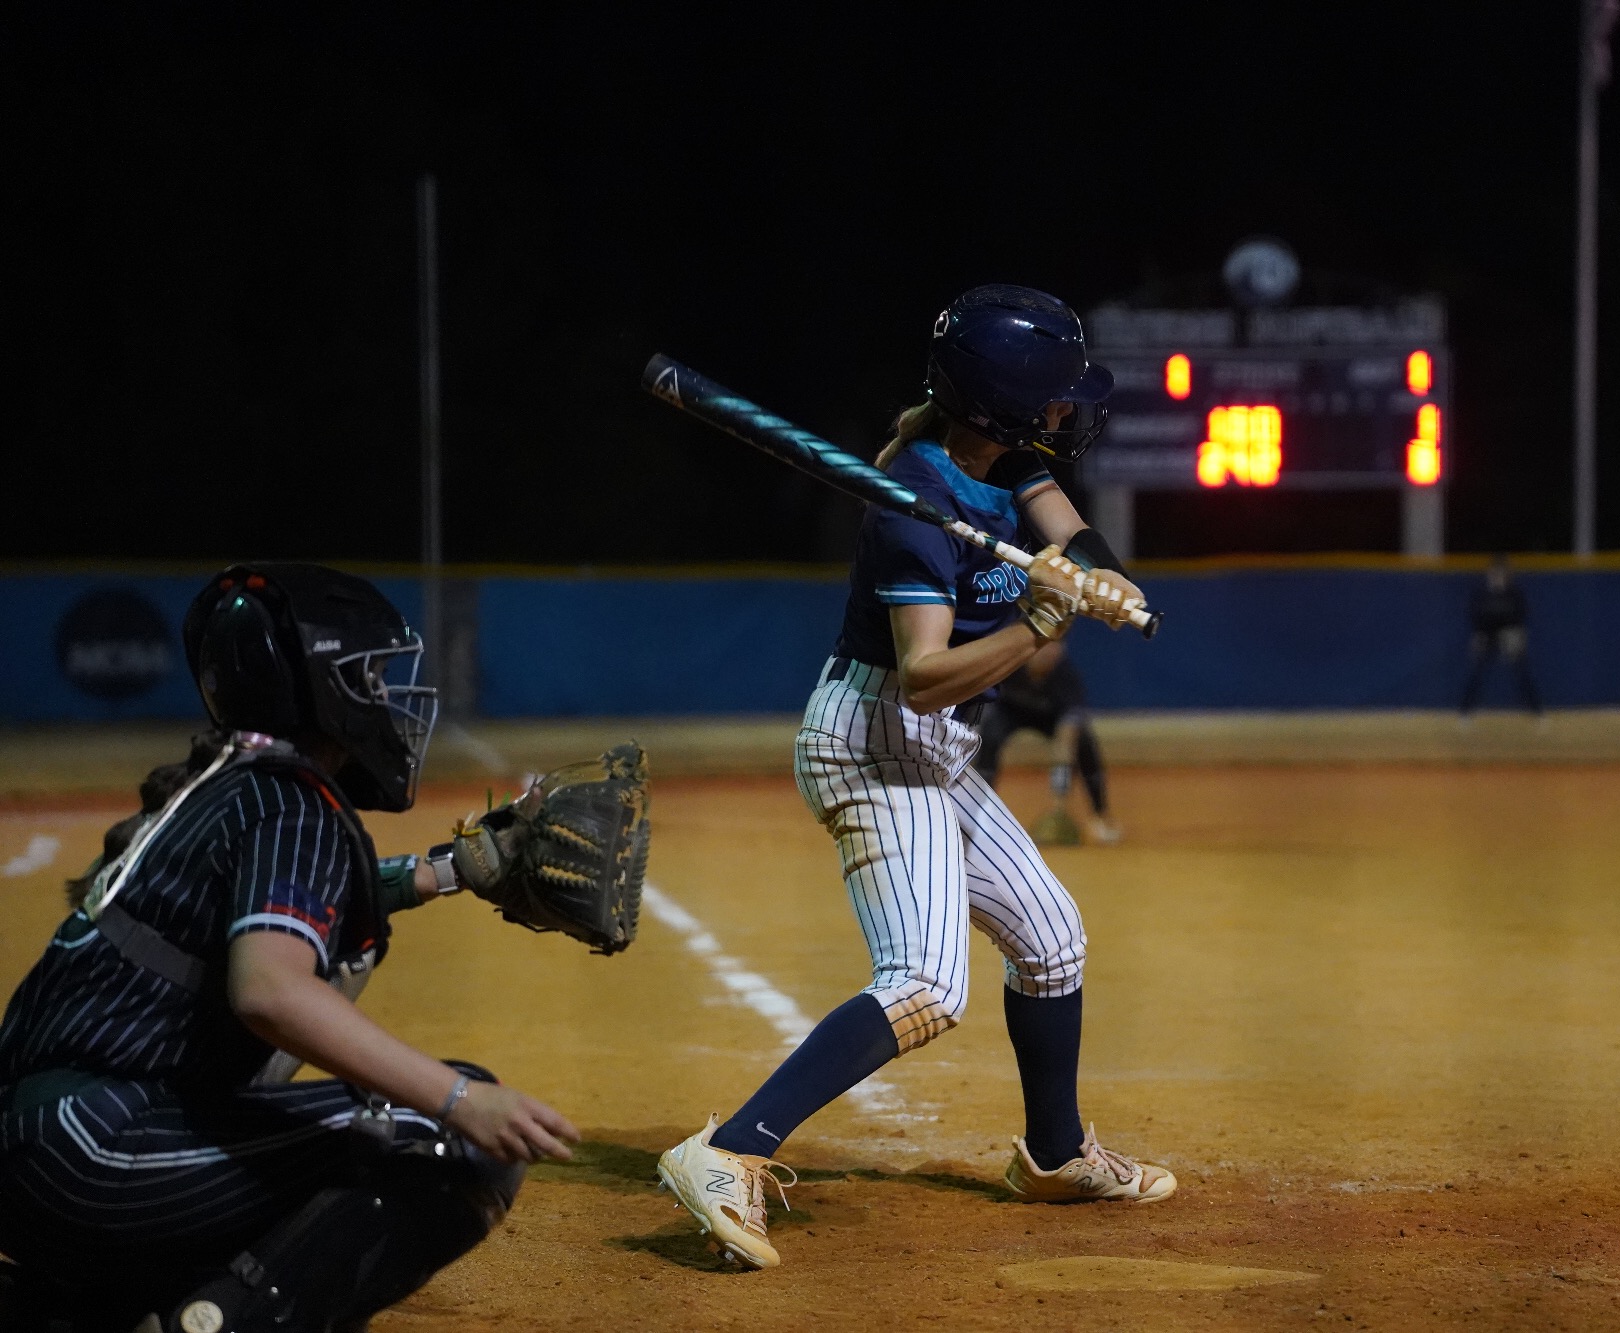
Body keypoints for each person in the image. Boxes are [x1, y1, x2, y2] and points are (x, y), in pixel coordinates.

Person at [655, 285, 1176, 1271]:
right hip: (872, 741)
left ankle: (1056, 1155)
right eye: (1052, 394)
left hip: (932, 750)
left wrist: (1098, 573)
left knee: (1051, 937)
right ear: (1004, 402)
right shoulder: (915, 509)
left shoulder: (1002, 457)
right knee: (928, 985)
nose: (1065, 410)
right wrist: (1039, 622)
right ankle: (728, 1150)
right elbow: (927, 676)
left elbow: (1066, 527)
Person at [0, 563, 579, 1333]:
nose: (386, 697)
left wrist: (446, 871)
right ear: (320, 686)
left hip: (44, 1148)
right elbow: (269, 989)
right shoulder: (292, 803)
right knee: (444, 1140)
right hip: (96, 1151)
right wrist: (459, 1099)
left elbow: (286, 898)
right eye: (370, 676)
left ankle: (72, 1308)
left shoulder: (218, 782)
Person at [974, 640, 1121, 846]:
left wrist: (1058, 805)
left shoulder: (1066, 675)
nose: (1048, 653)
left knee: (1084, 742)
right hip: (1010, 713)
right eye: (1043, 647)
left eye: (1055, 647)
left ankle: (1100, 816)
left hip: (1051, 718)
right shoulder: (1011, 666)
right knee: (989, 737)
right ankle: (977, 815)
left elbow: (1068, 730)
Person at [1459, 554, 1544, 716]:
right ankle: (1465, 712)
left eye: (1501, 573)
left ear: (1507, 575)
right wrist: (1478, 635)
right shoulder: (1481, 594)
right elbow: (1475, 615)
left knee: (1522, 673)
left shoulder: (1514, 594)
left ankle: (1537, 711)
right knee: (1477, 673)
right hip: (1487, 635)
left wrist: (1517, 635)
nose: (1497, 576)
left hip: (1509, 635)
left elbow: (1521, 615)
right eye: (1494, 573)